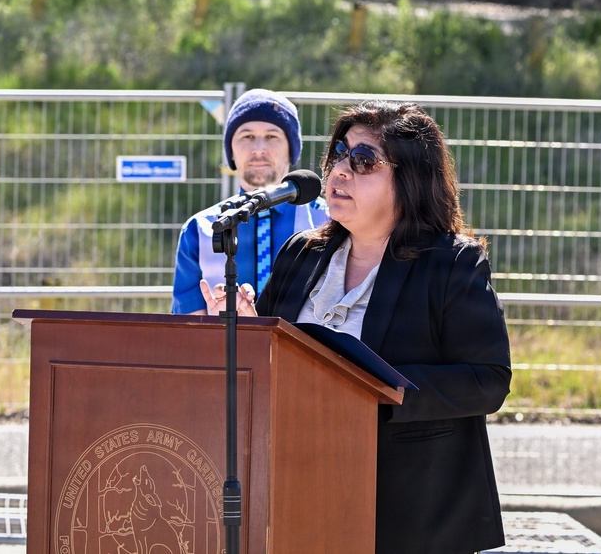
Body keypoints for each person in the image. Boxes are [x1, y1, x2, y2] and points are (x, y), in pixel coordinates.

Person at [199, 100, 512, 553]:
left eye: (363, 161)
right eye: (338, 156)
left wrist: (366, 391)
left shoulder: (452, 263)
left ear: (409, 179)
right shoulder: (301, 254)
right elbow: (274, 366)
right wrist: (248, 333)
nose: (341, 171)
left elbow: (488, 381)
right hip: (297, 488)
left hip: (409, 511)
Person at [171, 88, 329, 315]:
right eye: (247, 136)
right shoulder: (200, 229)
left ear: (292, 150)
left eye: (272, 136)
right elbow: (188, 332)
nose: (258, 149)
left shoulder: (328, 220)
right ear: (231, 152)